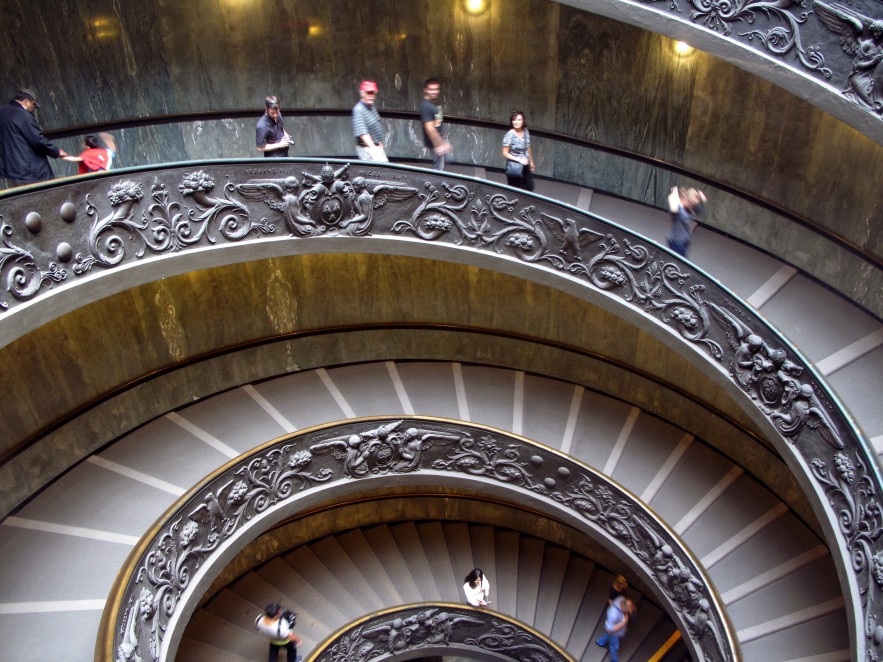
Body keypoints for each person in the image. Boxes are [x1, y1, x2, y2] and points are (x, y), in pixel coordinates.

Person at [0, 88, 68, 187]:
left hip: (12, 172)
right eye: (34, 105)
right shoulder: (23, 115)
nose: (33, 109)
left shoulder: (2, 112)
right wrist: (56, 152)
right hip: (31, 171)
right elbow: (37, 140)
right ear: (27, 101)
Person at [352, 80, 388, 162]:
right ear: (362, 94)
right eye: (368, 93)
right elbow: (362, 133)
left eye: (373, 93)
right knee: (381, 171)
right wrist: (373, 148)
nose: (371, 96)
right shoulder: (359, 110)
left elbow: (376, 122)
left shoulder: (371, 106)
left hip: (374, 146)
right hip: (367, 149)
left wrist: (378, 142)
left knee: (386, 170)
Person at [667, 185, 707, 257]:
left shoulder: (690, 208)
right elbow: (672, 201)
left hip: (684, 240)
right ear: (687, 200)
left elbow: (700, 208)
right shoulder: (677, 209)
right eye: (692, 204)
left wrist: (701, 198)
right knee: (679, 263)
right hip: (677, 242)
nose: (693, 207)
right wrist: (674, 192)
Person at [420, 78, 452, 170]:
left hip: (439, 138)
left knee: (447, 159)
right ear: (425, 90)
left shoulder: (434, 104)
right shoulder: (426, 106)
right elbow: (429, 128)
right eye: (431, 89)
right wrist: (439, 145)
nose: (434, 92)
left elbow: (438, 122)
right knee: (439, 167)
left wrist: (443, 138)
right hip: (434, 141)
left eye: (436, 89)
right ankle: (429, 183)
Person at [502, 110, 535, 190]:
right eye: (514, 120)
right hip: (514, 165)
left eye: (519, 120)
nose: (516, 122)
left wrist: (531, 162)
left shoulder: (525, 131)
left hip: (525, 164)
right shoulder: (510, 134)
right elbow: (505, 153)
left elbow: (528, 147)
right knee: (515, 189)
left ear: (523, 121)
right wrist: (519, 160)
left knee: (529, 186)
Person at [595, 596, 635, 662]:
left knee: (608, 635)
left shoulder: (621, 598)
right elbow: (610, 629)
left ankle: (600, 642)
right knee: (614, 647)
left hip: (615, 630)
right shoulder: (613, 615)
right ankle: (614, 660)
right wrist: (623, 622)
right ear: (623, 609)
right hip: (614, 633)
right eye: (628, 611)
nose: (629, 612)